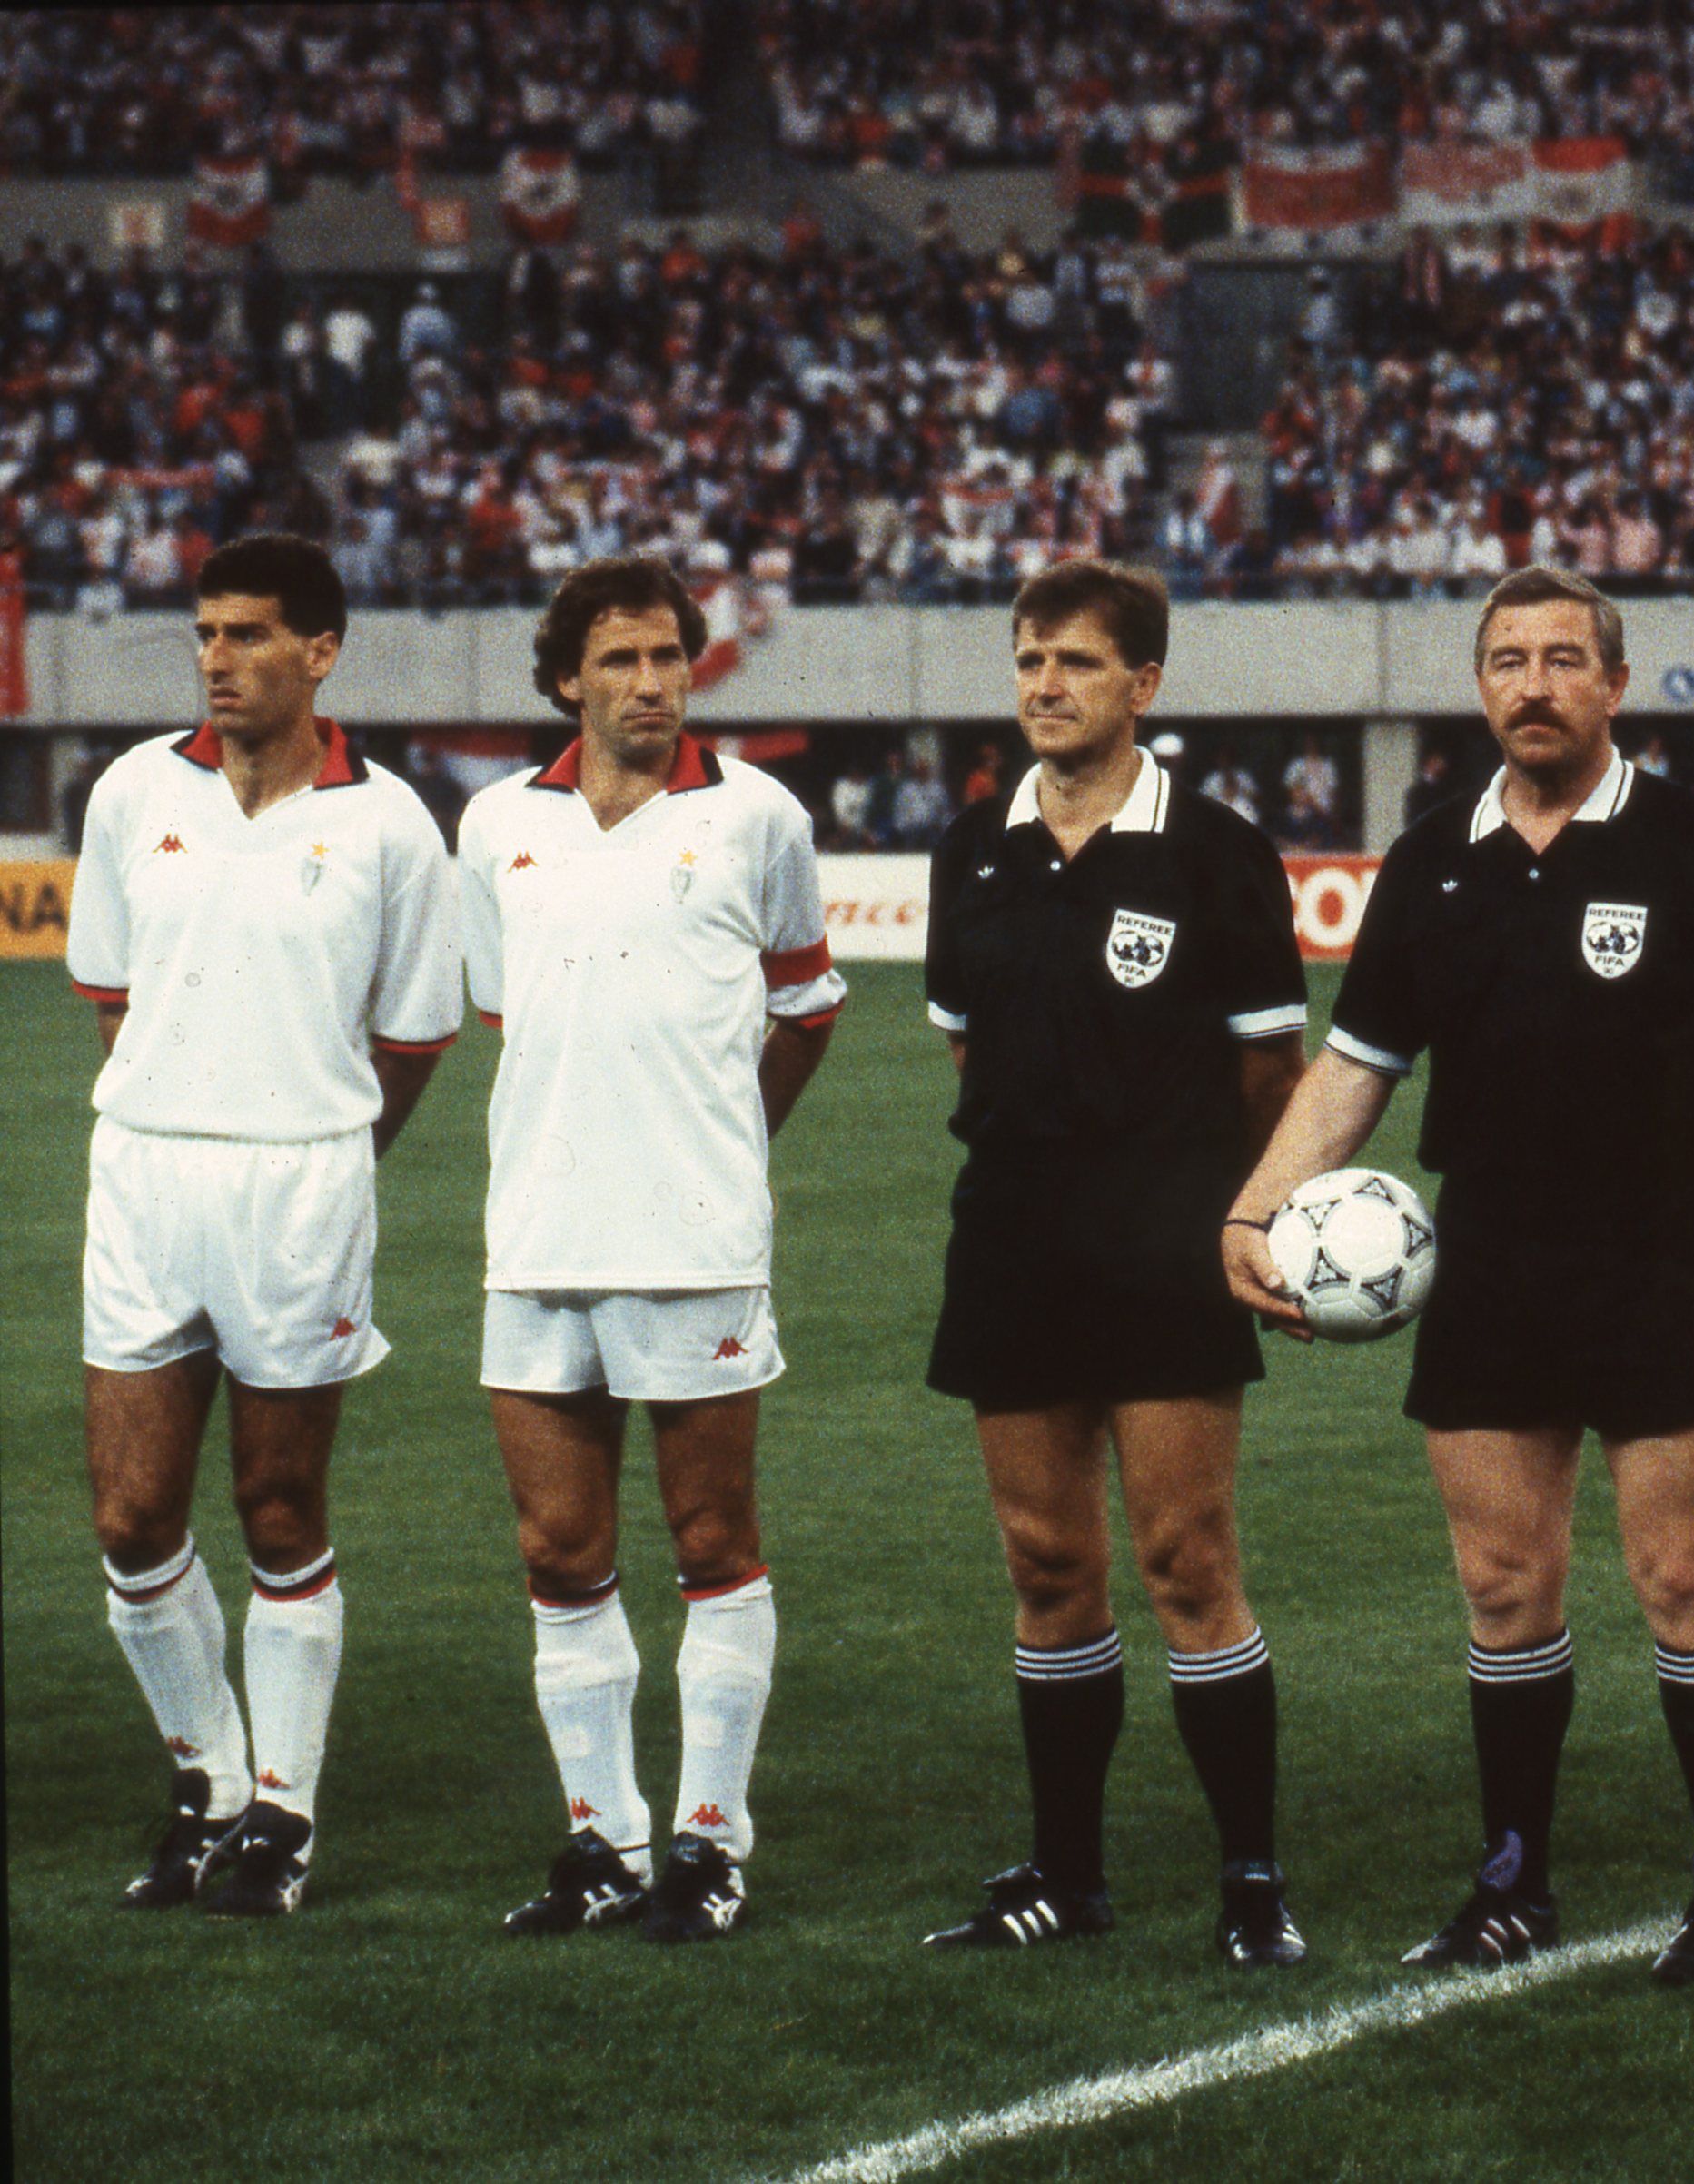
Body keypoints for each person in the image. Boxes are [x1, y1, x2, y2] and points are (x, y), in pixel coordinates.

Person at [1225, 564, 1694, 1986]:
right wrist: (1252, 1212)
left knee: (1678, 1574)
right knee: (1501, 1584)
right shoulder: (1431, 859)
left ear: (1614, 684)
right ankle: (1511, 1887)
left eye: (1561, 659)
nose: (1532, 684)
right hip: (1484, 1260)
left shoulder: (1692, 845)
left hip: (1658, 1255)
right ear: (1478, 685)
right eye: (1505, 660)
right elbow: (1356, 1066)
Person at [918, 559, 1315, 1964]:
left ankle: (1252, 1883)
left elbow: (1278, 1072)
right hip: (1015, 1233)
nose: (1044, 685)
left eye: (1076, 663)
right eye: (1029, 660)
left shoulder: (1215, 851)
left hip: (1166, 1239)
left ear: (1142, 685)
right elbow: (968, 1041)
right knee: (1044, 1561)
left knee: (1185, 1558)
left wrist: (1267, 1220)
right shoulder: (972, 846)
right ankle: (1066, 1878)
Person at [68, 532, 461, 1919]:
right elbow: (115, 991)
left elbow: (413, 1035)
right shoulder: (130, 792)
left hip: (302, 1184)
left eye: (246, 635)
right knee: (130, 1514)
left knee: (279, 1504)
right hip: (148, 1173)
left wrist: (323, 1145)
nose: (217, 659)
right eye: (205, 633)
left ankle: (284, 1814)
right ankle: (211, 1782)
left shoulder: (392, 823)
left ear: (320, 651)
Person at [461, 557, 846, 1945]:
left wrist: (727, 1145)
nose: (650, 682)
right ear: (568, 677)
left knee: (709, 1541)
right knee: (558, 1548)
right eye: (619, 660)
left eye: (669, 657)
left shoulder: (759, 816)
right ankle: (601, 1841)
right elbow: (508, 1016)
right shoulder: (496, 823)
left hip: (694, 1239)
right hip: (538, 1236)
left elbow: (807, 1006)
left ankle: (708, 1842)